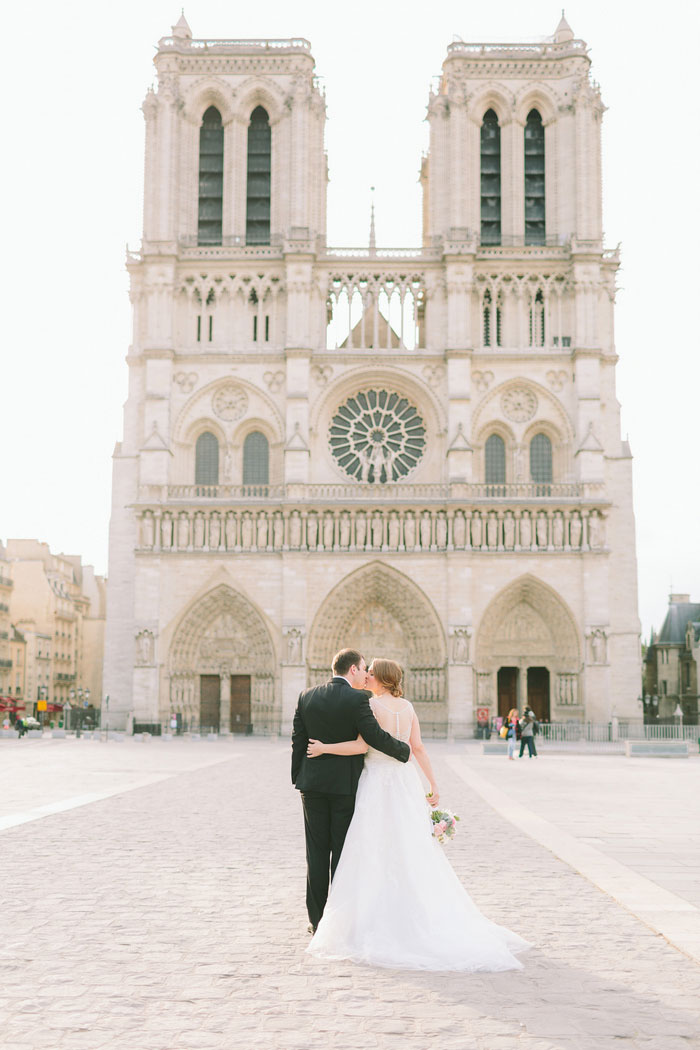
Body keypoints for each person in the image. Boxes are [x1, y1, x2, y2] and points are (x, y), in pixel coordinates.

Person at [304, 658, 529, 971]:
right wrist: (433, 784)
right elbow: (418, 747)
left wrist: (325, 748)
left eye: (371, 673)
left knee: (371, 849)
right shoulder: (408, 707)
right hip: (405, 782)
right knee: (411, 848)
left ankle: (369, 916)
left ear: (379, 679)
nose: (366, 676)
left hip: (376, 783)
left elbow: (360, 746)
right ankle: (414, 912)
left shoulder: (370, 706)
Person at [291, 648, 411, 935]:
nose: (366, 672)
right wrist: (402, 750)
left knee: (316, 853)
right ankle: (340, 918)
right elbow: (373, 737)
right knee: (343, 853)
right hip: (344, 786)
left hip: (312, 786)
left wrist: (299, 776)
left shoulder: (306, 696)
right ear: (354, 669)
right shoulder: (359, 699)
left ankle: (317, 921)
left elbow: (298, 740)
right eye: (363, 667)